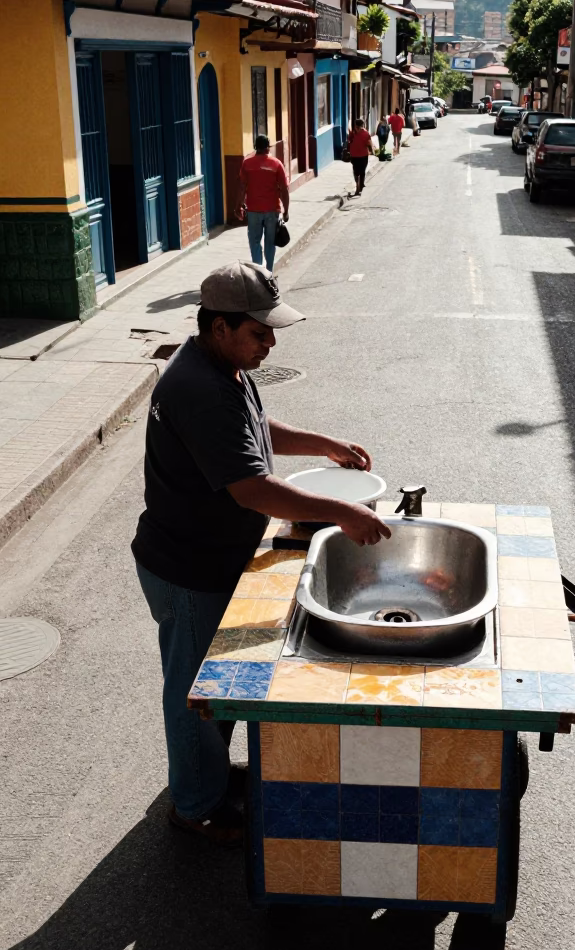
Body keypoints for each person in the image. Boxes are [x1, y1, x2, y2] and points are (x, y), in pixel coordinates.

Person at [133, 261, 391, 847]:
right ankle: (196, 805)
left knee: (214, 683)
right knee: (195, 690)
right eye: (259, 332)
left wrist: (322, 442)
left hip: (211, 558)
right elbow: (251, 486)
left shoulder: (220, 365)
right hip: (188, 568)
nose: (269, 343)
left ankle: (208, 778)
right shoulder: (198, 387)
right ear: (219, 326)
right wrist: (343, 511)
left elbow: (253, 429)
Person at [236, 134, 289, 271]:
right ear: (268, 148)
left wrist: (238, 206)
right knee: (270, 243)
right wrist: (286, 211)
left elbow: (242, 187)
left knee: (255, 242)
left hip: (253, 210)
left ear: (255, 148)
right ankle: (269, 274)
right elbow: (284, 189)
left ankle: (259, 272)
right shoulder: (276, 164)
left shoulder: (247, 164)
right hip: (272, 210)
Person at [347, 117, 373, 195]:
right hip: (363, 155)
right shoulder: (366, 134)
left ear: (355, 125)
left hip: (354, 155)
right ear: (363, 125)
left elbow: (349, 141)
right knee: (362, 171)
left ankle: (357, 184)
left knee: (356, 171)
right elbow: (368, 144)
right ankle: (360, 185)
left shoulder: (352, 133)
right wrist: (371, 150)